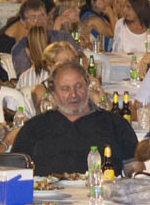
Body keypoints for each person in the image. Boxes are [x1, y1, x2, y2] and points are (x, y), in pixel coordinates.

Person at [11, 62, 140, 174]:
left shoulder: (115, 124)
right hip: (48, 200)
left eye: (78, 86)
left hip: (101, 196)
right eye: (65, 89)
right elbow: (14, 170)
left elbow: (135, 168)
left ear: (88, 86)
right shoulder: (34, 128)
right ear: (53, 93)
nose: (73, 94)